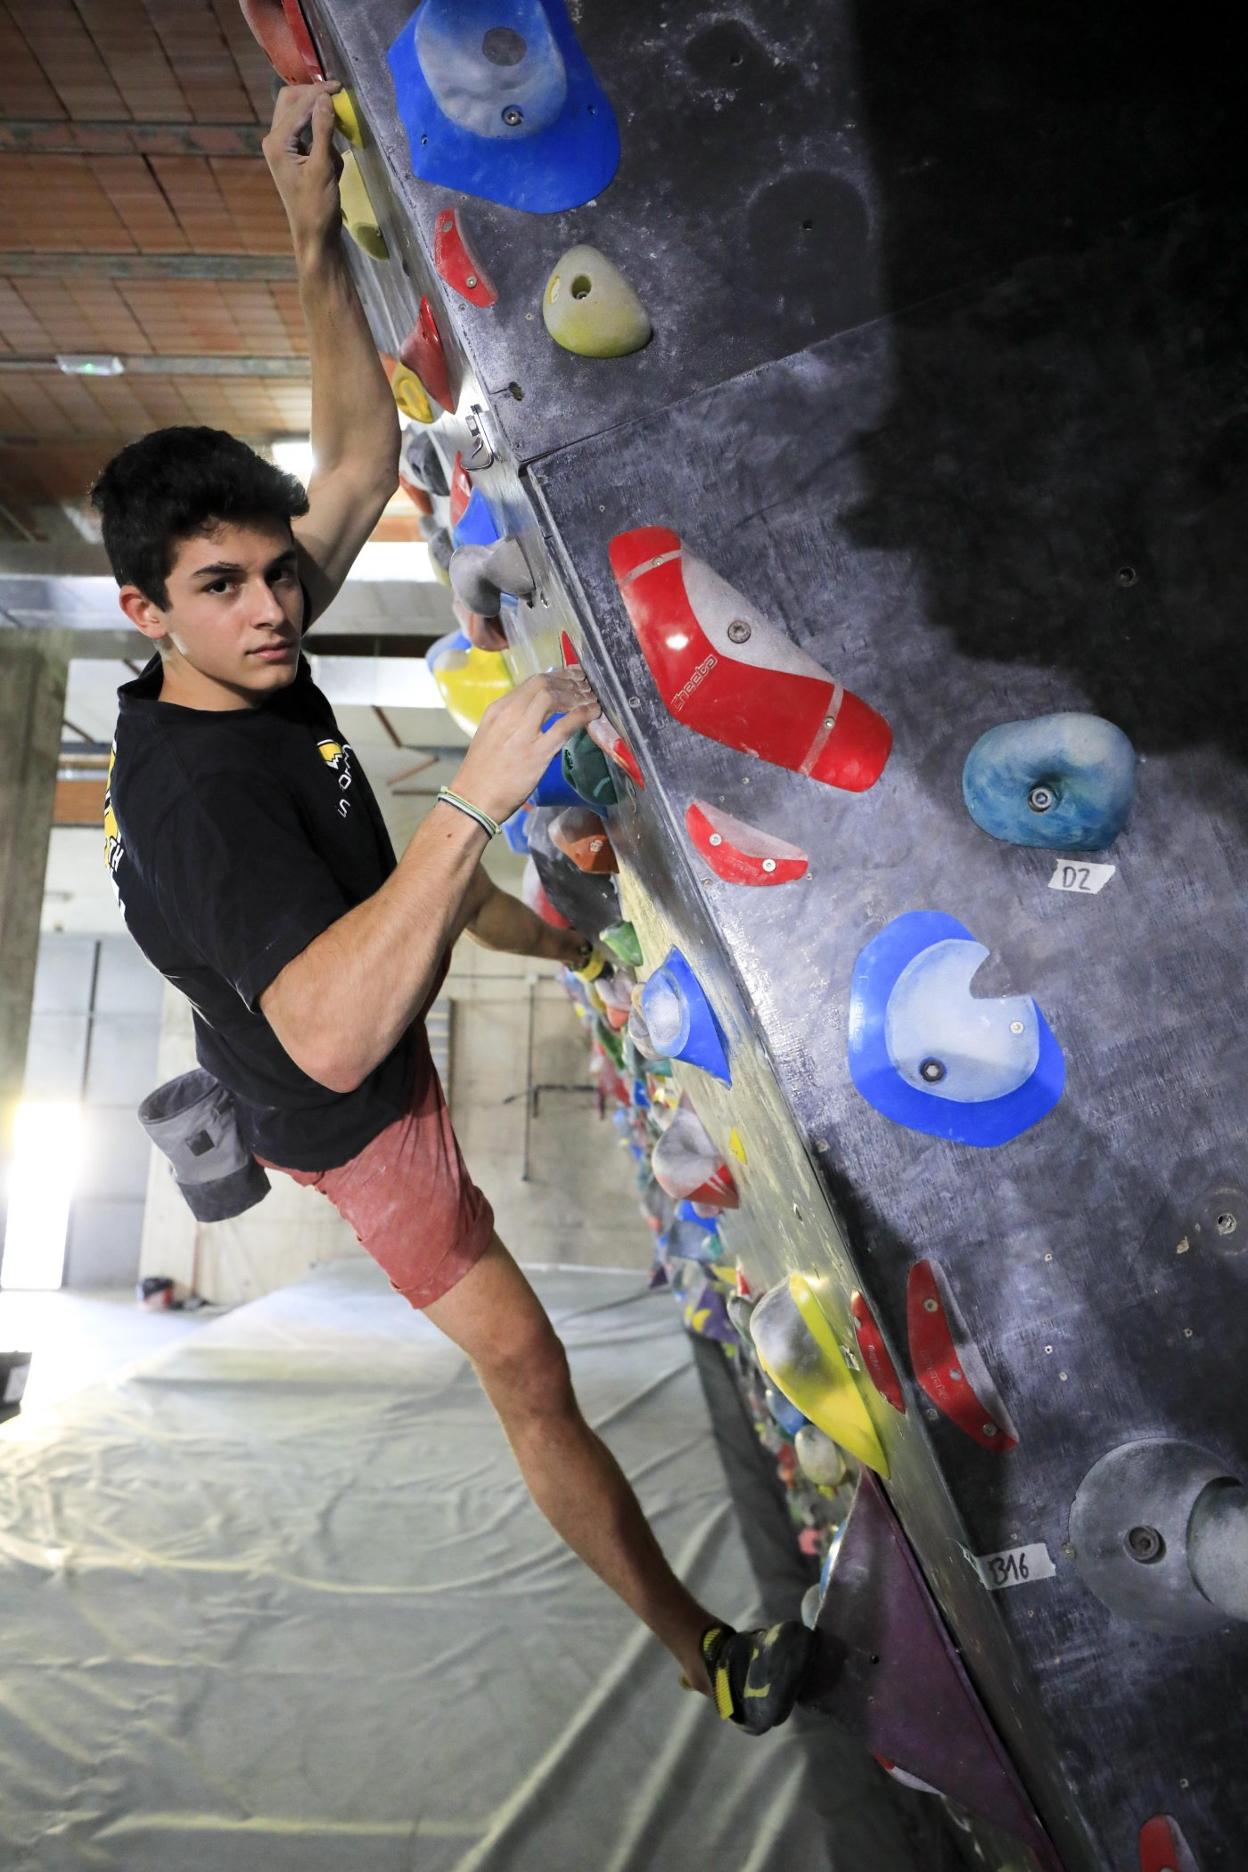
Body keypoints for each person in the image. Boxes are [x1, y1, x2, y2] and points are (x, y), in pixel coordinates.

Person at [93, 81, 814, 1735]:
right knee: (525, 1362)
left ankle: (496, 924)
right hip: (341, 1107)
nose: (281, 608)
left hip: (317, 946)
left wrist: (306, 233)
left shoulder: (235, 650)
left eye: (279, 573)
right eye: (229, 587)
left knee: (437, 894)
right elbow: (343, 1030)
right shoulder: (206, 804)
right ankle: (703, 1650)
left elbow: (348, 456)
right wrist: (476, 792)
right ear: (145, 610)